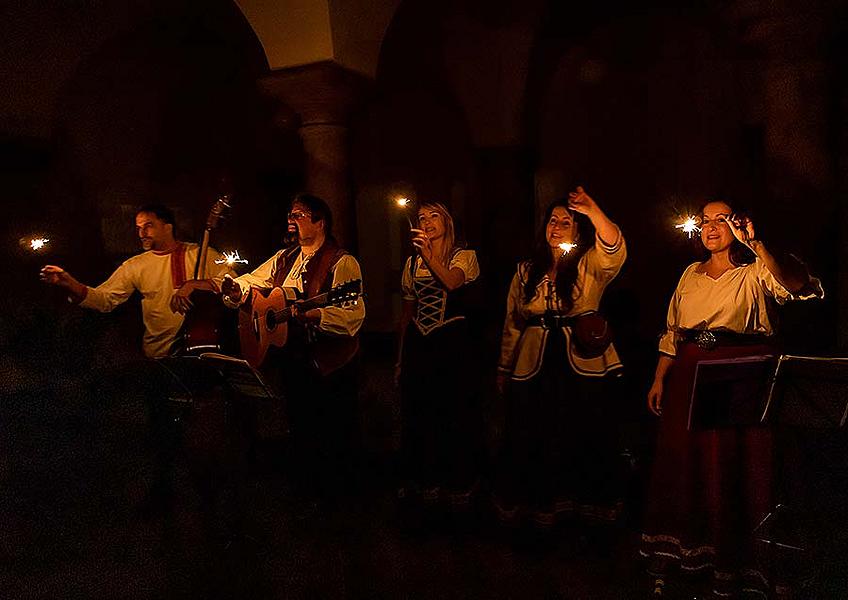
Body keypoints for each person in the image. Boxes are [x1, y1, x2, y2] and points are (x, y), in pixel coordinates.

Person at [640, 200, 823, 597]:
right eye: (704, 220)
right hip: (689, 377)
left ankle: (740, 560)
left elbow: (796, 285)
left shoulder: (755, 270)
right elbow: (673, 332)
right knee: (691, 465)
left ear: (737, 225)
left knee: (737, 465)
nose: (710, 226)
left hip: (740, 375)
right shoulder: (690, 273)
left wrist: (757, 245)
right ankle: (689, 555)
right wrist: (659, 378)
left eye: (720, 219)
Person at [493, 187, 627, 530]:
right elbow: (513, 321)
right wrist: (504, 369)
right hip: (533, 364)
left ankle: (584, 515)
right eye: (552, 221)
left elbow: (612, 246)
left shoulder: (589, 264)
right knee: (535, 436)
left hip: (581, 365)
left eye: (565, 222)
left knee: (581, 434)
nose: (556, 227)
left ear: (577, 230)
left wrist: (592, 208)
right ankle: (539, 512)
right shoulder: (526, 271)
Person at [221, 193, 365, 501]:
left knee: (333, 432)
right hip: (296, 360)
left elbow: (353, 315)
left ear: (319, 222)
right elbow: (251, 281)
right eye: (290, 214)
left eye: (298, 215)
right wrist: (235, 289)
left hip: (331, 363)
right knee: (301, 427)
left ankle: (339, 501)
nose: (290, 219)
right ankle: (307, 492)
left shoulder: (342, 262)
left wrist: (318, 314)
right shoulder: (284, 258)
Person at [40, 203, 231, 358]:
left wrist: (195, 284)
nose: (141, 233)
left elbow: (233, 281)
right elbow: (105, 300)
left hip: (201, 351)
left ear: (167, 227)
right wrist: (69, 282)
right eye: (139, 228)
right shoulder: (135, 265)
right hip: (158, 358)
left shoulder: (199, 254)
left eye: (148, 226)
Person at [394, 201, 483, 514]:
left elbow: (452, 282)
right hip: (420, 345)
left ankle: (455, 495)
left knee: (451, 417)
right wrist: (401, 359)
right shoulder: (411, 264)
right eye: (422, 217)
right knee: (420, 417)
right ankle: (425, 492)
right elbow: (406, 316)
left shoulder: (464, 257)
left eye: (434, 216)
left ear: (447, 221)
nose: (427, 221)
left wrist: (429, 257)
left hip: (451, 344)